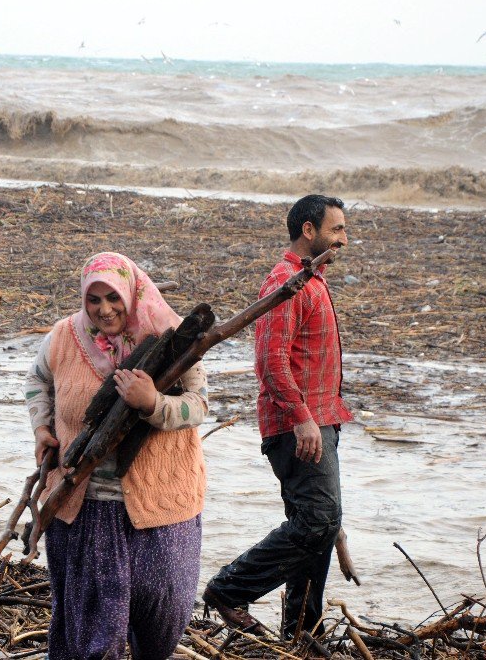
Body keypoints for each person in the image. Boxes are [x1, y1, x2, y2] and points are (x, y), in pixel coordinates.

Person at [24, 251, 209, 660]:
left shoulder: (173, 338)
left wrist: (152, 403)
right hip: (85, 508)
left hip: (163, 508)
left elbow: (199, 406)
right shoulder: (64, 336)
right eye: (94, 299)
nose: (104, 310)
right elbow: (37, 381)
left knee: (162, 623)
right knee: (92, 635)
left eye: (113, 298)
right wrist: (42, 428)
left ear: (131, 292)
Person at [202, 194, 353, 638]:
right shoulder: (285, 282)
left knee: (318, 527)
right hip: (297, 426)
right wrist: (303, 417)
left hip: (318, 421)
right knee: (318, 522)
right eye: (337, 229)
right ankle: (229, 591)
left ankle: (302, 632)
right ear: (309, 230)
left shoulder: (313, 280)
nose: (345, 238)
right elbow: (270, 361)